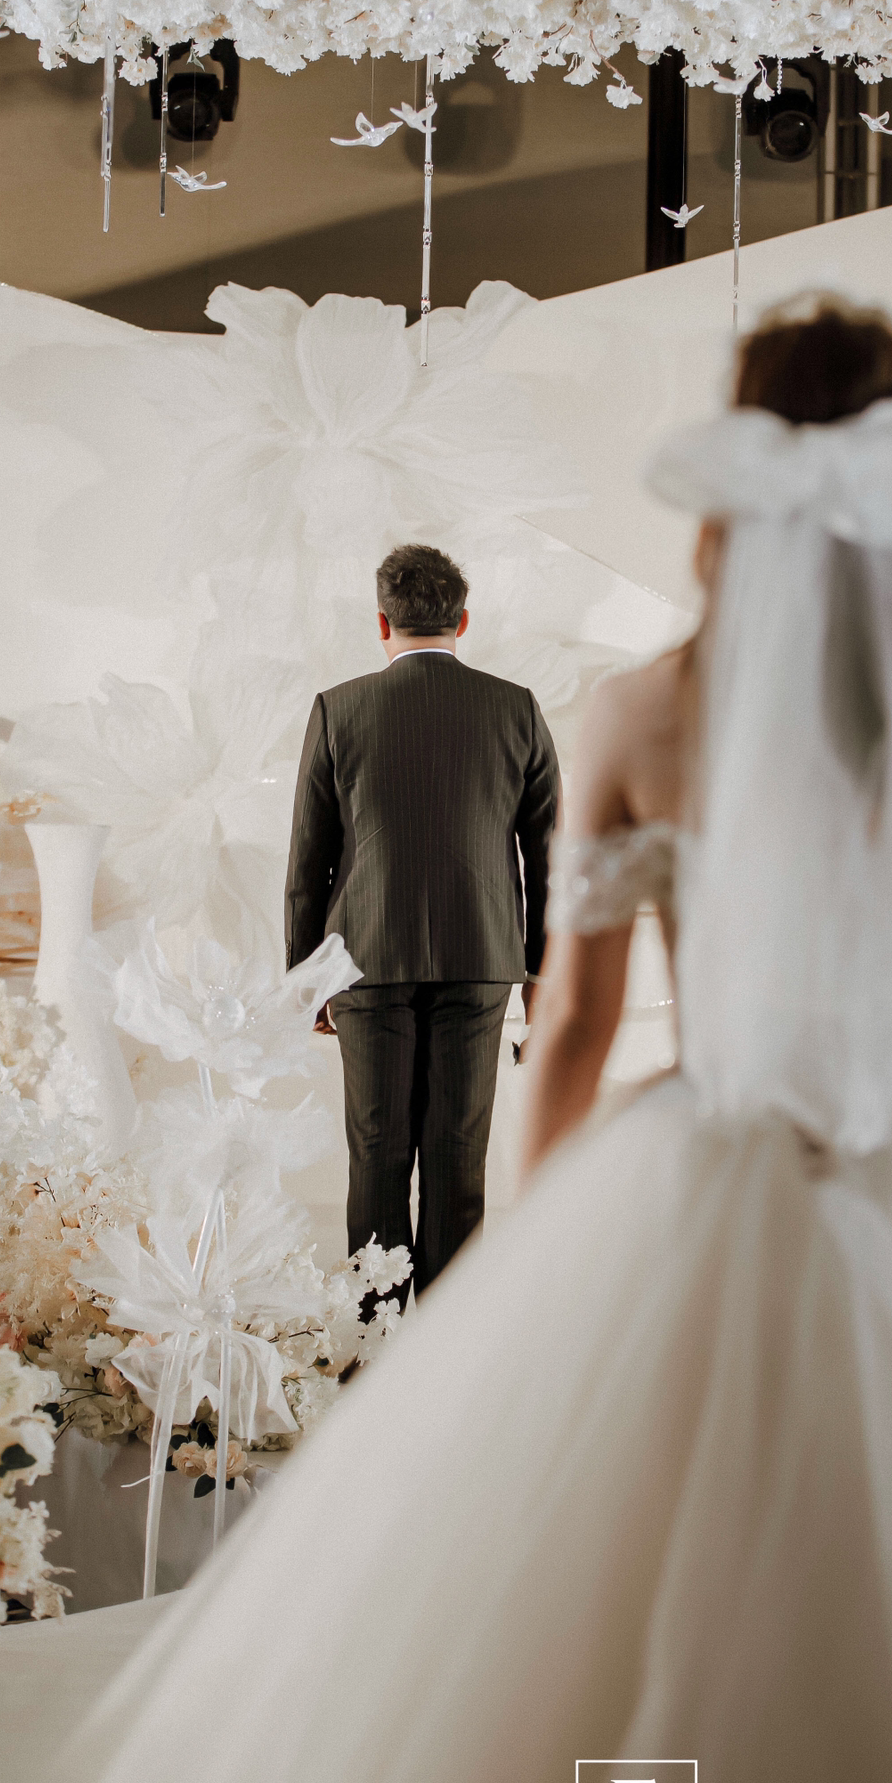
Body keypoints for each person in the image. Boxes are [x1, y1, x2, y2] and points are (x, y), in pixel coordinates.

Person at [73, 298, 892, 1783]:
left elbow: (583, 1019)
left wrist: (534, 1262)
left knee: (620, 1585)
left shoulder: (647, 711)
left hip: (703, 1155)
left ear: (738, 468)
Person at [284, 542, 560, 1302]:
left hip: (364, 962)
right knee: (458, 1158)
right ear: (463, 621)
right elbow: (549, 857)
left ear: (382, 622)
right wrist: (540, 976)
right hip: (481, 960)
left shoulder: (338, 709)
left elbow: (309, 859)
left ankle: (373, 1337)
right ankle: (449, 1339)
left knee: (375, 1156)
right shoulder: (515, 708)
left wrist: (308, 979)